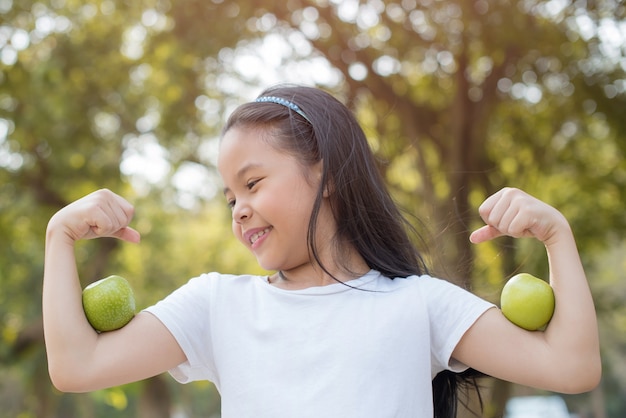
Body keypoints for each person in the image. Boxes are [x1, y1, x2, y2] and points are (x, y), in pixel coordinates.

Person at [42, 85, 601, 417]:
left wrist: (557, 237)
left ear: (326, 173)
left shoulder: (420, 306)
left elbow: (572, 367)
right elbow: (76, 365)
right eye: (229, 196)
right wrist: (59, 238)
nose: (237, 208)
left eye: (253, 183)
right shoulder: (215, 307)